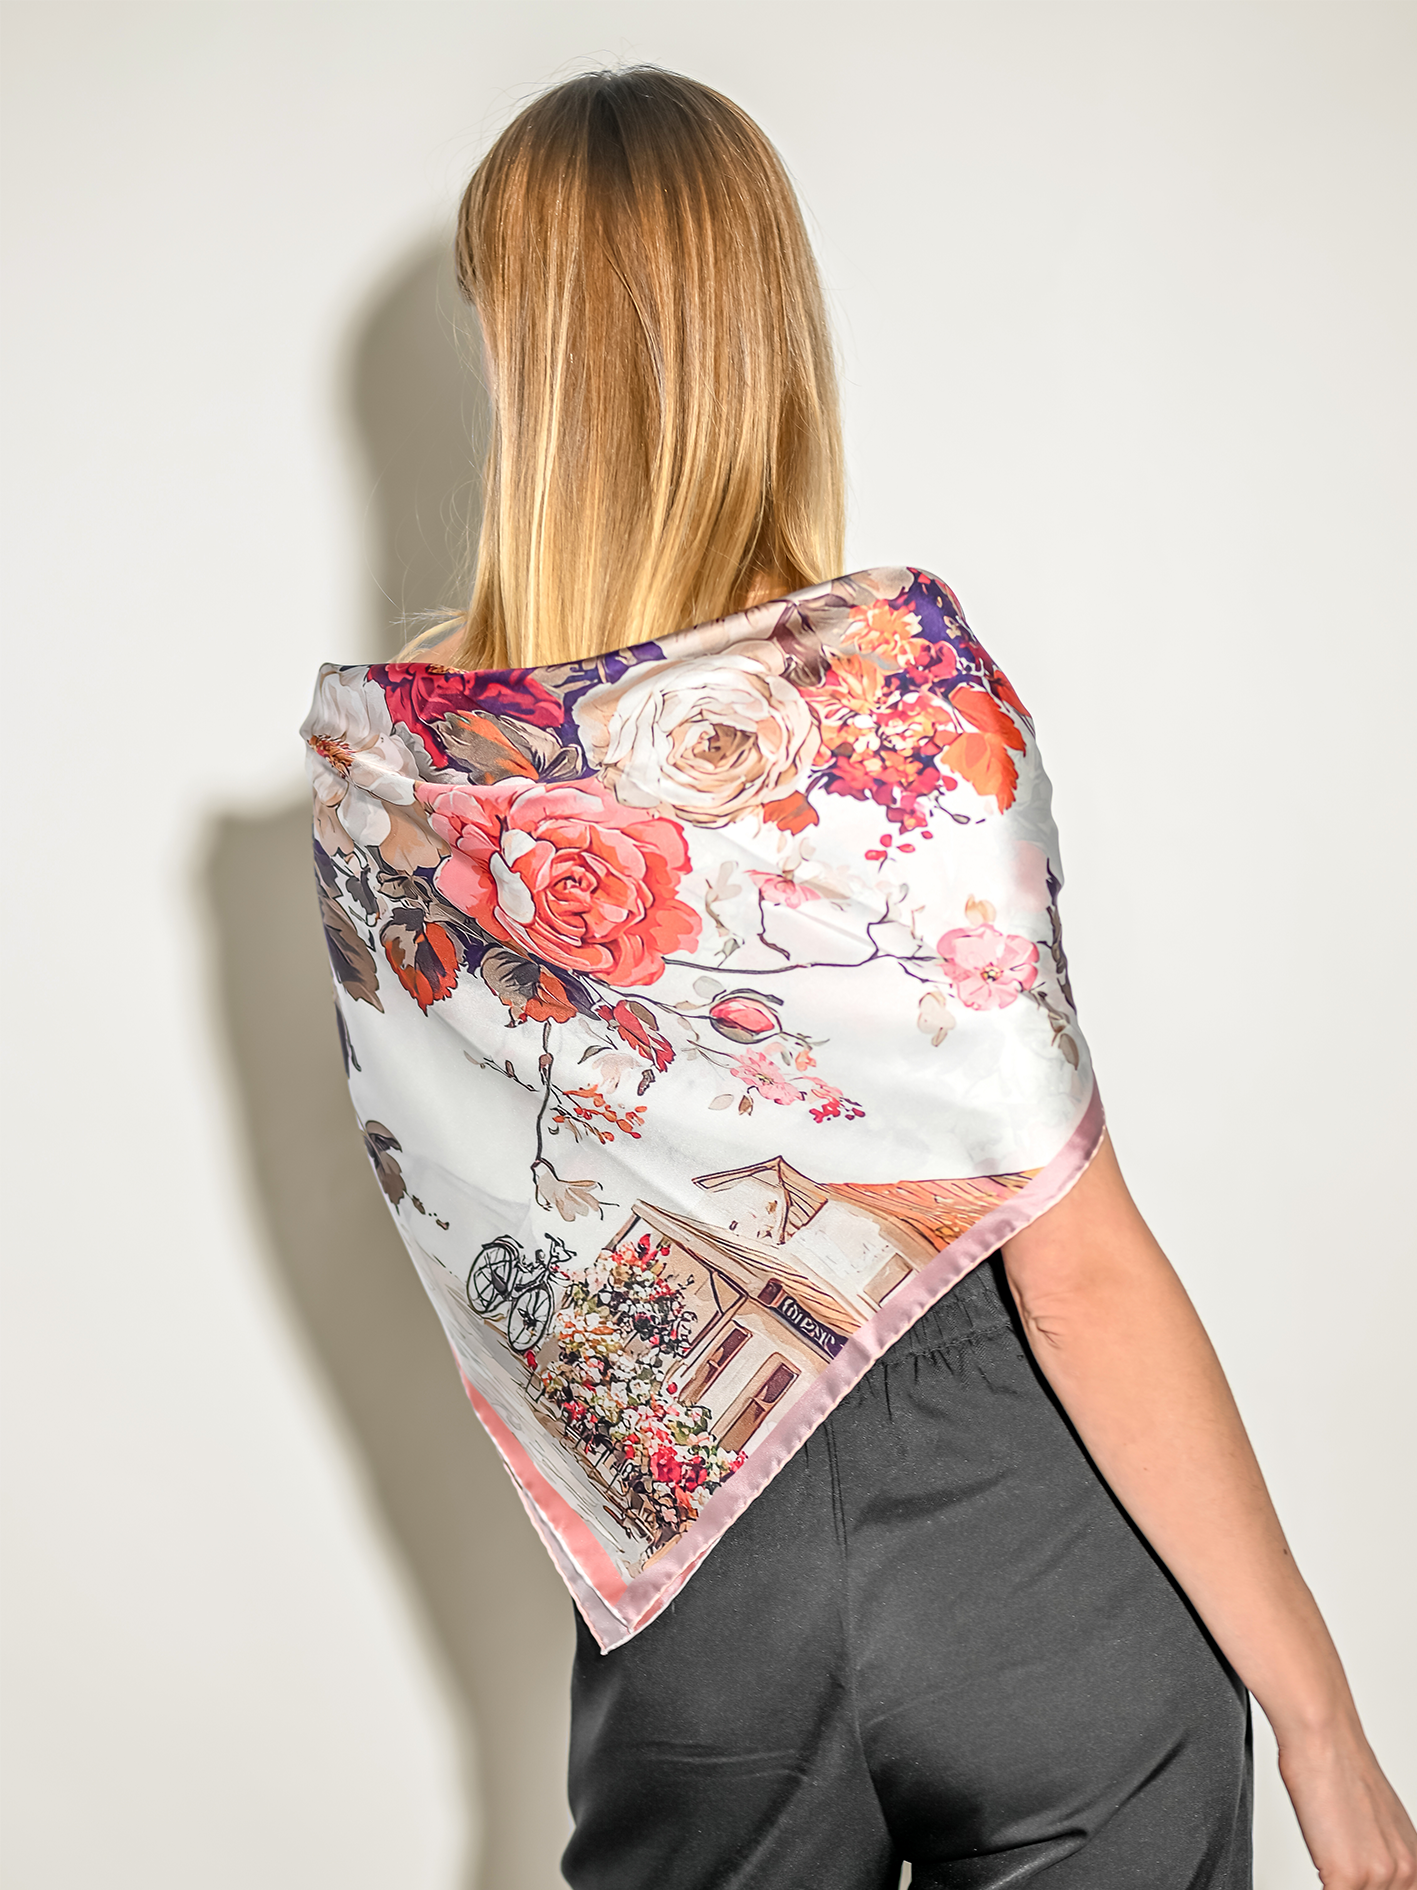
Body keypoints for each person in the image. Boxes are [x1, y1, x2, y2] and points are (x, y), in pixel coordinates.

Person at [303, 66, 1414, 1890]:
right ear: (770, 341)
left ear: (514, 356)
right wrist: (1323, 1718)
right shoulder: (907, 703)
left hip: (699, 1622)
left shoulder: (390, 798)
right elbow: (1075, 1268)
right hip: (1037, 1569)